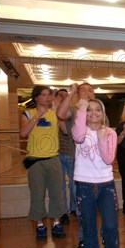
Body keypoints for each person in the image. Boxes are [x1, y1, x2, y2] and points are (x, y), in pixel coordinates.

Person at [72, 95, 124, 248]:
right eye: (89, 110)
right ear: (84, 113)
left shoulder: (110, 132)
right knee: (89, 233)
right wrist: (80, 107)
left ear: (103, 114)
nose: (93, 113)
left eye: (97, 110)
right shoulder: (80, 130)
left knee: (110, 227)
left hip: (106, 186)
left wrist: (102, 139)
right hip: (84, 186)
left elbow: (109, 158)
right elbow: (77, 137)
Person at [19, 85, 65, 239]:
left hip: (53, 158)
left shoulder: (55, 114)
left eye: (48, 95)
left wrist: (59, 105)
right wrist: (37, 115)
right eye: (43, 95)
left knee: (57, 193)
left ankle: (56, 223)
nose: (46, 97)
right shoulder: (27, 113)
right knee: (37, 194)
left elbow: (65, 130)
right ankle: (40, 225)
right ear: (36, 98)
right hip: (35, 161)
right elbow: (24, 133)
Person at [57, 82, 97, 248]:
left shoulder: (98, 110)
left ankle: (95, 234)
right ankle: (84, 235)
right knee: (81, 202)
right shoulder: (74, 111)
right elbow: (60, 113)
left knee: (95, 202)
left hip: (97, 166)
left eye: (91, 90)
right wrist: (71, 91)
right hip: (79, 165)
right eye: (83, 90)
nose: (88, 93)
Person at [54, 88, 73, 226]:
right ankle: (64, 212)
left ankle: (75, 209)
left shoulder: (72, 112)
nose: (63, 97)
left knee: (74, 184)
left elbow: (68, 131)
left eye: (66, 96)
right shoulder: (51, 113)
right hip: (57, 154)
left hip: (72, 154)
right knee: (60, 185)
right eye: (60, 95)